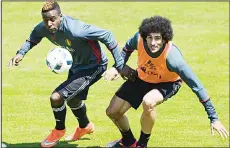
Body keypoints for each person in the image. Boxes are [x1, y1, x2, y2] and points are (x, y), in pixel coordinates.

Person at [7, 1, 123, 147]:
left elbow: (108, 35)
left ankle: (59, 130)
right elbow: (34, 36)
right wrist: (21, 53)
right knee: (73, 100)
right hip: (77, 65)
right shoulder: (44, 27)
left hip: (94, 66)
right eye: (45, 20)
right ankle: (85, 126)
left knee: (56, 97)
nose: (49, 24)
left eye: (53, 19)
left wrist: (119, 65)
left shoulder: (76, 30)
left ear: (60, 16)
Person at [105, 15, 229, 147]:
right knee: (113, 112)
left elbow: (197, 86)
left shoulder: (173, 58)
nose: (153, 43)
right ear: (145, 36)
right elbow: (126, 49)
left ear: (164, 39)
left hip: (167, 83)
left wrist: (214, 118)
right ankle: (128, 142)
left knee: (148, 102)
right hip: (142, 77)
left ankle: (142, 144)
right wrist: (117, 67)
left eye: (157, 38)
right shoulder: (139, 38)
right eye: (150, 38)